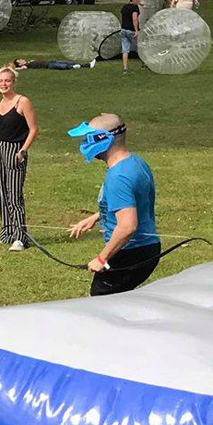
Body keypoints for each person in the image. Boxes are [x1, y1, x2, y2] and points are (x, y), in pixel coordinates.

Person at [64, 113, 161, 296]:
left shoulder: (119, 177)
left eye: (88, 139)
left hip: (131, 252)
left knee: (102, 300)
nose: (85, 144)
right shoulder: (135, 163)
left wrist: (102, 258)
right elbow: (133, 201)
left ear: (103, 140)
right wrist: (97, 216)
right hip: (146, 249)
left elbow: (127, 227)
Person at [0, 65, 38, 251]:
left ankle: (20, 237)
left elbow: (33, 130)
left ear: (13, 83)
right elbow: (1, 131)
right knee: (1, 192)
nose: (4, 84)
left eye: (7, 81)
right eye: (1, 81)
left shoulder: (22, 102)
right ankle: (7, 233)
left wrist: (23, 150)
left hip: (15, 151)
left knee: (14, 194)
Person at [120, 0, 142, 75]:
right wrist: (136, 30)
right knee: (140, 47)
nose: (139, 1)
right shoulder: (135, 7)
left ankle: (125, 68)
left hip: (123, 30)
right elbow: (134, 18)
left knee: (125, 50)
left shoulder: (124, 7)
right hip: (131, 31)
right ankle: (145, 64)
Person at [11, 57, 95, 71]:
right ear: (20, 64)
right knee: (62, 66)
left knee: (68, 62)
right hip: (48, 65)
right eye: (20, 60)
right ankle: (73, 67)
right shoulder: (26, 66)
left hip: (50, 62)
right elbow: (20, 69)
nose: (22, 59)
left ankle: (88, 65)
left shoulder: (30, 61)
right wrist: (12, 68)